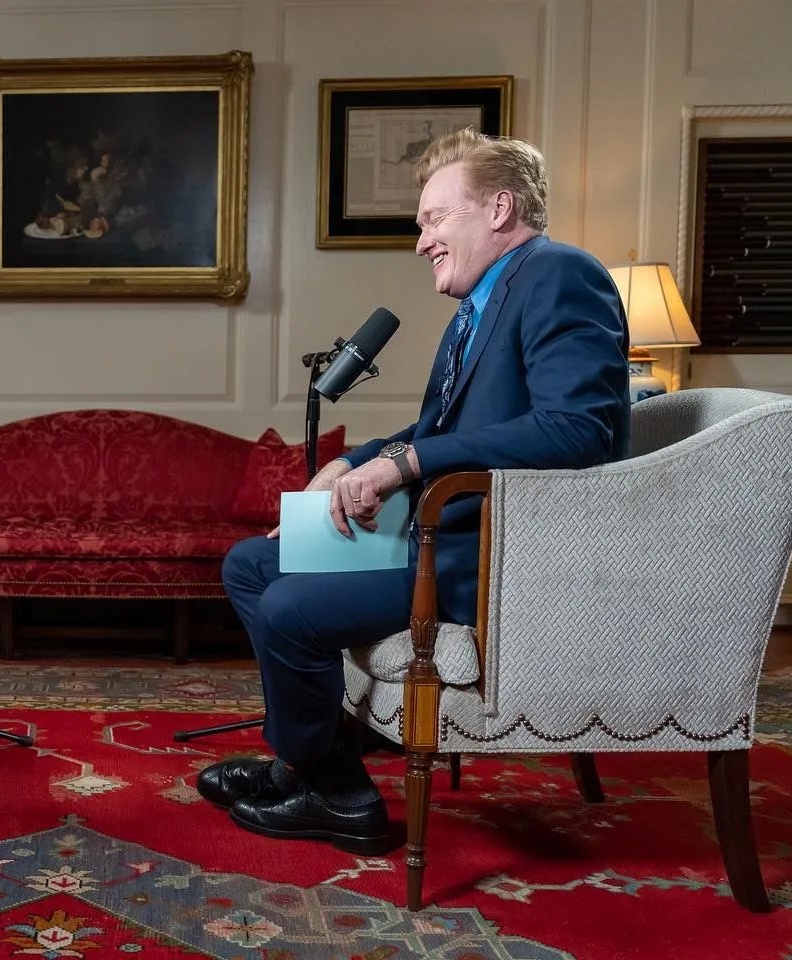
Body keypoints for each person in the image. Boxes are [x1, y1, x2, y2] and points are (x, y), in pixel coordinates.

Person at [199, 128, 630, 854]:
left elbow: (575, 431)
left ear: (498, 209)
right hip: (439, 536)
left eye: (434, 218)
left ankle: (335, 797)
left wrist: (404, 467)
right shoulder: (482, 305)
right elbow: (437, 425)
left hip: (490, 561)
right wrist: (358, 459)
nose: (422, 241)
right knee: (250, 564)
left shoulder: (560, 275)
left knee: (290, 606)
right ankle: (315, 760)